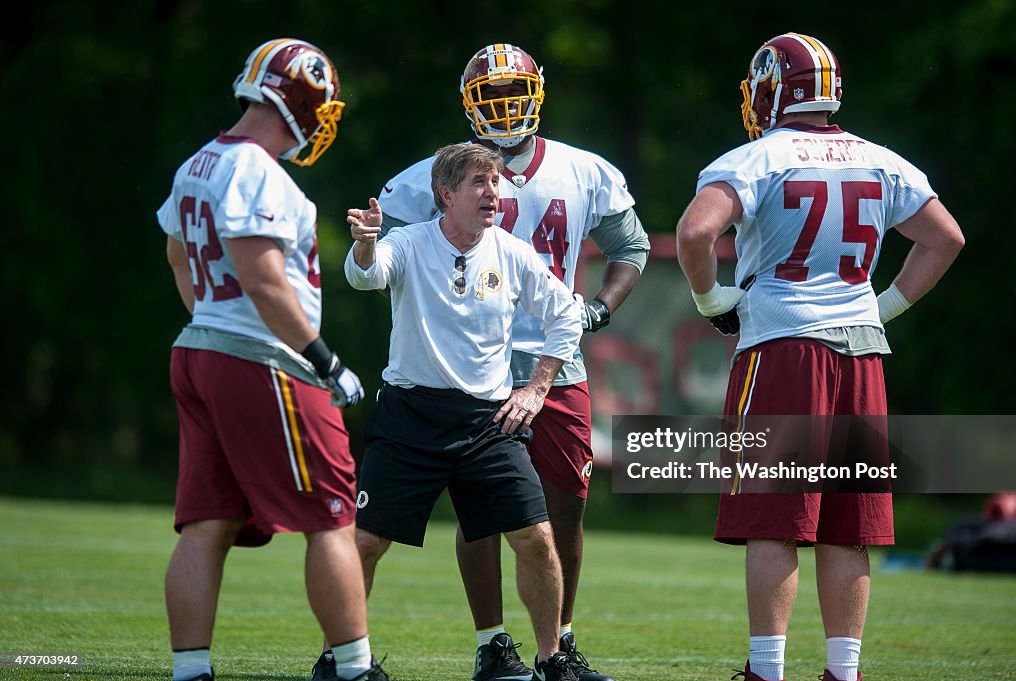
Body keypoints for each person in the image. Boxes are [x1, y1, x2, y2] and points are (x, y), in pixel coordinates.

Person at [313, 42, 648, 681]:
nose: (503, 108)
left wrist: (595, 311)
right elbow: (380, 263)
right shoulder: (426, 180)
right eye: (488, 97)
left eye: (512, 93)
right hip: (459, 371)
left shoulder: (582, 170)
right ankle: (492, 643)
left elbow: (628, 247)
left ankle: (560, 644)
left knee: (561, 506)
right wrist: (362, 250)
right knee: (480, 511)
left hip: (552, 358)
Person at [675, 32, 963, 681]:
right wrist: (882, 307)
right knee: (846, 523)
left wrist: (709, 297)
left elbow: (696, 230)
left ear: (776, 88)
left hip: (783, 346)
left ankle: (767, 670)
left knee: (775, 518)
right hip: (860, 353)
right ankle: (843, 671)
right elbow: (944, 238)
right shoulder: (882, 160)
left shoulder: (758, 157)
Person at [156, 38, 387, 681]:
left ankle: (190, 671)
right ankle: (354, 668)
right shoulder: (258, 171)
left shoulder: (198, 163)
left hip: (201, 350)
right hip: (265, 359)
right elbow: (263, 280)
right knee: (334, 515)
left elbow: (180, 259)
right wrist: (322, 357)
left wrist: (212, 323)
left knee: (208, 521)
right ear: (303, 101)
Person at [343, 143, 584, 681]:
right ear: (445, 194)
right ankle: (347, 661)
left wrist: (537, 390)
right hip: (410, 416)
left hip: (488, 422)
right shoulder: (406, 241)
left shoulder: (513, 252)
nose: (492, 193)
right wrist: (363, 245)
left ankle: (552, 661)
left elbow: (566, 317)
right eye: (479, 183)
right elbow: (368, 274)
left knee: (536, 539)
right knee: (365, 542)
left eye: (495, 182)